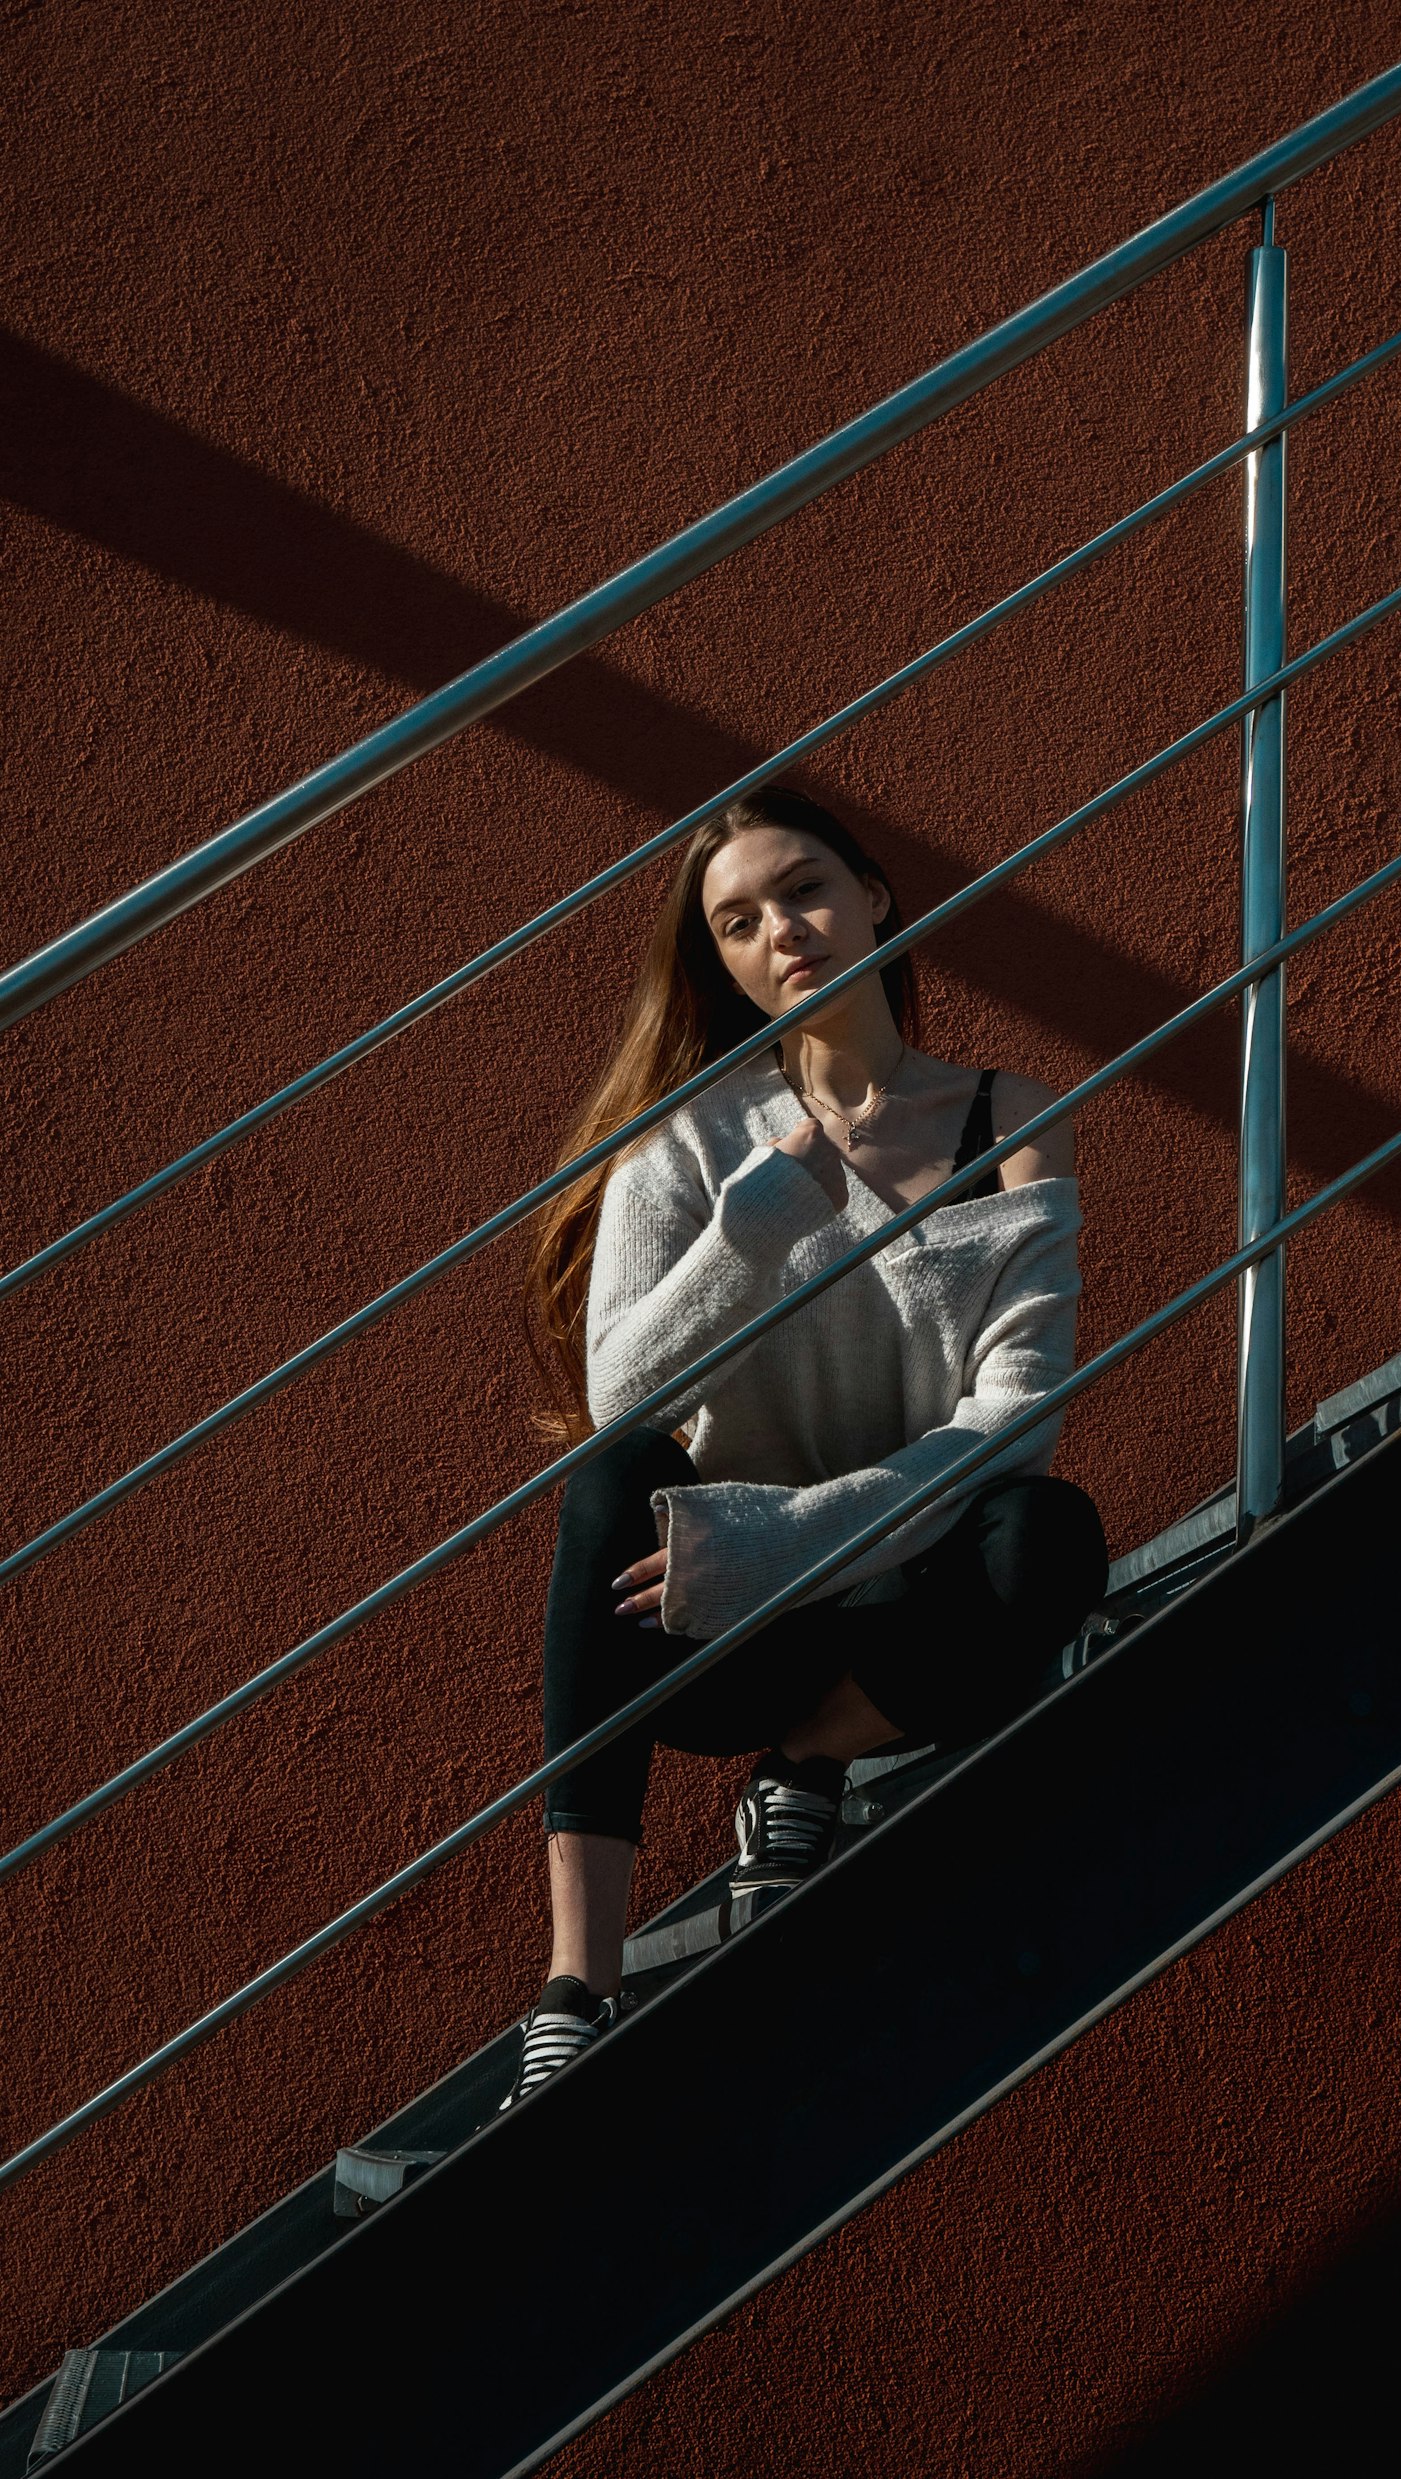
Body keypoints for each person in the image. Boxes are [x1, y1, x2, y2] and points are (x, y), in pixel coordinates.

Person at [504, 786, 1107, 2105]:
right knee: (613, 1484)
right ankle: (575, 1982)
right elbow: (626, 1395)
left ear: (876, 895)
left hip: (904, 1606)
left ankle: (815, 1759)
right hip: (722, 1622)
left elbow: (1015, 1417)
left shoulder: (1008, 1121)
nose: (782, 929)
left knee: (1049, 1532)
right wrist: (753, 1222)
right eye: (738, 920)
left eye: (804, 891)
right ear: (716, 959)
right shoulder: (691, 1136)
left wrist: (784, 1536)